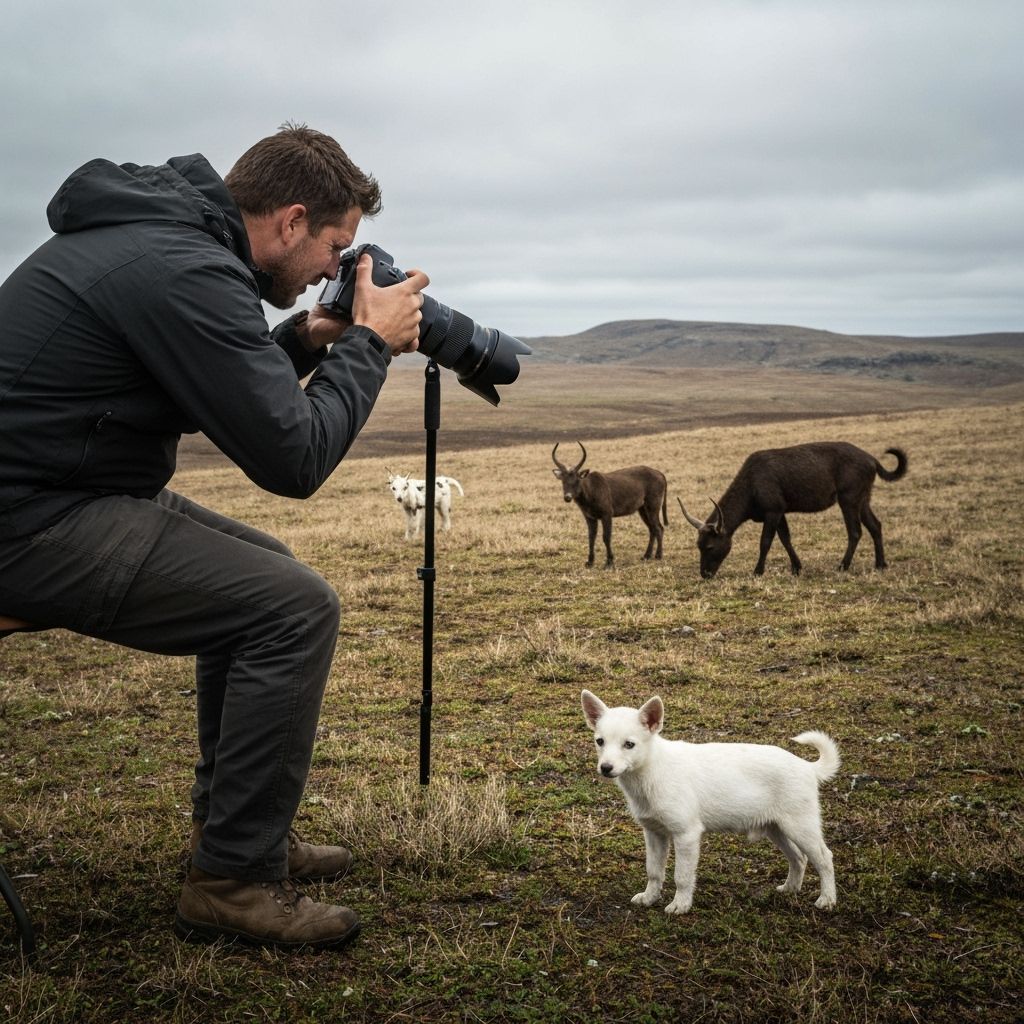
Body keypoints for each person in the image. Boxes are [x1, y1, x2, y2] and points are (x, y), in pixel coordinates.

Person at [0, 123, 428, 950]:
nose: (331, 272)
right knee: (293, 607)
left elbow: (213, 382)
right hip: (27, 519)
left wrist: (304, 339)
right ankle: (232, 879)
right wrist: (370, 345)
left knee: (270, 571)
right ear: (292, 221)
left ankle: (236, 832)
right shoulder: (188, 267)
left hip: (57, 492)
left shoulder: (165, 243)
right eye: (334, 249)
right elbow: (294, 457)